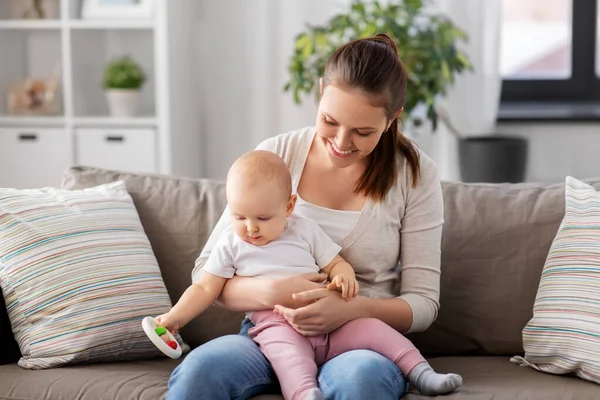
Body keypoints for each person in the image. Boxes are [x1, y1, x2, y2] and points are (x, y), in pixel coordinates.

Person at [167, 33, 447, 400]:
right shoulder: (276, 155)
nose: (341, 143)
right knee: (199, 373)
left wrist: (351, 309)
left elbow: (424, 303)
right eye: (329, 121)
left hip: (357, 342)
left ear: (393, 119)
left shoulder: (414, 175)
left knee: (361, 381)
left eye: (363, 131)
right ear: (320, 91)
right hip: (270, 333)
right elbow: (207, 269)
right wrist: (272, 291)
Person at [157, 150, 461, 400]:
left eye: (263, 218)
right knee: (289, 356)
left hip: (338, 325)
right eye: (239, 216)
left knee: (376, 331)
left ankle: (423, 374)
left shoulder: (303, 229)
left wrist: (344, 277)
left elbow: (335, 262)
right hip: (276, 323)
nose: (250, 227)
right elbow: (204, 288)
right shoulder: (231, 242)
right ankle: (304, 394)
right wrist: (175, 318)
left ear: (289, 206)